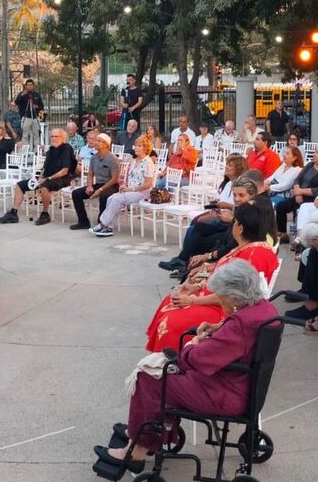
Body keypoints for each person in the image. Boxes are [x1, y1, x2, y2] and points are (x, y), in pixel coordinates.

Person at [96, 260, 278, 472]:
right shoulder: (263, 309)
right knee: (160, 376)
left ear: (235, 296)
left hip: (224, 394)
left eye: (221, 297)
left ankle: (137, 451)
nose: (220, 301)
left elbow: (196, 359)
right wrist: (217, 328)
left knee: (149, 378)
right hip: (239, 386)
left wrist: (194, 344)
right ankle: (145, 432)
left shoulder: (241, 325)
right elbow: (236, 339)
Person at [145, 203, 279, 352]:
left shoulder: (252, 255)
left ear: (240, 228)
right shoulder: (249, 247)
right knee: (171, 299)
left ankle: (177, 359)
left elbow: (233, 297)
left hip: (226, 310)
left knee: (172, 318)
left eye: (234, 223)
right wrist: (196, 287)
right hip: (219, 299)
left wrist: (193, 300)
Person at [157, 156, 249, 273]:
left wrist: (227, 206)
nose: (226, 167)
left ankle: (183, 261)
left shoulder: (241, 188)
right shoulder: (227, 184)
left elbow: (239, 208)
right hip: (221, 215)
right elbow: (223, 203)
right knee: (194, 225)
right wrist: (216, 207)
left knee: (198, 225)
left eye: (230, 165)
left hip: (229, 222)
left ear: (238, 168)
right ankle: (185, 261)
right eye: (227, 164)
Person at [0, 128, 76, 226]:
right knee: (20, 185)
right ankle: (13, 213)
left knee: (44, 187)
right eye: (52, 136)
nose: (53, 138)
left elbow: (64, 171)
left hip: (62, 178)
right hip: (47, 177)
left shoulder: (66, 149)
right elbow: (45, 168)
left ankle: (45, 214)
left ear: (63, 138)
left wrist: (47, 179)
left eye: (56, 136)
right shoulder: (51, 150)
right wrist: (39, 178)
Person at [92, 135, 157, 237]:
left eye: (139, 146)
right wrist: (124, 186)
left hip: (143, 193)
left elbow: (148, 184)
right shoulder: (134, 161)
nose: (135, 147)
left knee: (117, 199)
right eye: (135, 145)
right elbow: (129, 177)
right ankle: (108, 228)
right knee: (111, 198)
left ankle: (103, 224)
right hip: (131, 190)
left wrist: (131, 189)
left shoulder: (148, 162)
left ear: (145, 148)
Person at [274, 145, 318, 241]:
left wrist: (300, 191)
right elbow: (297, 180)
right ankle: (283, 233)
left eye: (317, 152)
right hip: (298, 196)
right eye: (314, 152)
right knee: (281, 206)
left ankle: (299, 237)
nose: (314, 154)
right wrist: (298, 194)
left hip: (311, 199)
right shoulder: (310, 165)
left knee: (299, 210)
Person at [70, 133, 120, 230]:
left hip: (111, 186)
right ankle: (83, 221)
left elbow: (115, 179)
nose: (96, 142)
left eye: (99, 141)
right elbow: (90, 174)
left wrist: (100, 189)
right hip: (98, 184)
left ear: (106, 144)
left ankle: (101, 223)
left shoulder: (113, 159)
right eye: (96, 140)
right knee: (76, 193)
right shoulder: (94, 158)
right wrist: (89, 186)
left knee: (104, 196)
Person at [15, 78, 44, 146]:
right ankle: (25, 152)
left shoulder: (37, 95)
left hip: (35, 117)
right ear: (25, 86)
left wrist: (37, 107)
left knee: (36, 134)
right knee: (25, 135)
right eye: (28, 85)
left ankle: (36, 151)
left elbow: (42, 106)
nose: (29, 86)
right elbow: (17, 102)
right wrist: (22, 95)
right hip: (26, 117)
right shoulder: (22, 94)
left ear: (33, 86)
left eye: (31, 85)